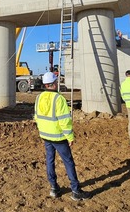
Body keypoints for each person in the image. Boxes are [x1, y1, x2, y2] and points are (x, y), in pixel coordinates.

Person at [34, 71, 90, 201]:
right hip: (58, 136)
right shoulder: (58, 99)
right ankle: (75, 191)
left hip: (45, 135)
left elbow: (37, 116)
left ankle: (54, 188)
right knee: (68, 162)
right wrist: (70, 136)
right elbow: (64, 120)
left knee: (50, 160)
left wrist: (42, 130)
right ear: (54, 83)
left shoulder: (38, 98)